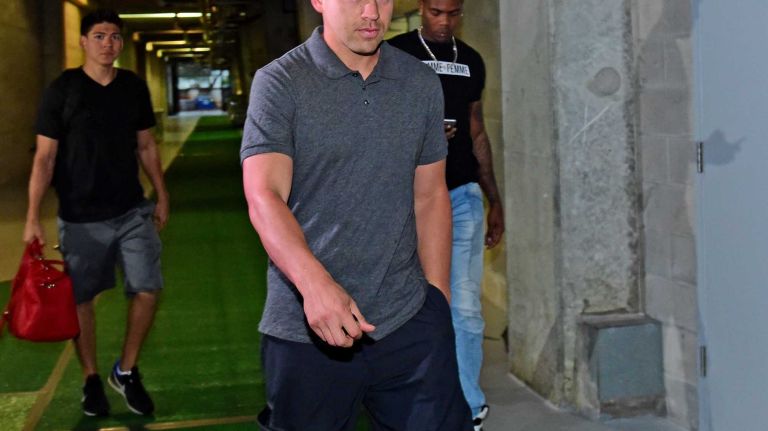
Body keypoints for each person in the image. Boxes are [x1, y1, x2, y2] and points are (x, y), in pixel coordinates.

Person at [240, 0, 473, 429]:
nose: (371, 12)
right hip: (307, 333)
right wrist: (315, 285)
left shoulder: (419, 82)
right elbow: (264, 195)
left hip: (409, 322)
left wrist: (437, 300)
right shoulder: (281, 82)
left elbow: (430, 195)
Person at [24, 9, 168, 417]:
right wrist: (33, 216)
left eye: (115, 37)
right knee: (82, 300)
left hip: (131, 211)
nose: (109, 43)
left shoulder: (133, 88)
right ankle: (90, 377)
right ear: (84, 41)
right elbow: (44, 159)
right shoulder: (62, 91)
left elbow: (146, 145)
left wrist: (161, 192)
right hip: (80, 217)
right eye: (100, 35)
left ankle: (126, 370)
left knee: (147, 288)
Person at [388, 1, 505, 429]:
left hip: (461, 194)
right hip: (407, 199)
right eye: (436, 12)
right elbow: (373, 124)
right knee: (414, 305)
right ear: (421, 9)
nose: (444, 21)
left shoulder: (470, 60)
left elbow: (477, 131)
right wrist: (419, 132)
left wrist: (493, 197)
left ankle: (468, 406)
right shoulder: (393, 54)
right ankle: (415, 399)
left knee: (466, 307)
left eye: (453, 13)